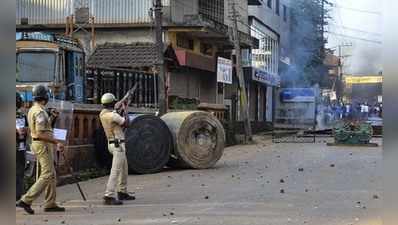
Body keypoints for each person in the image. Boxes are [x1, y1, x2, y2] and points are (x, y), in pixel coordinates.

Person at [16, 85, 65, 215]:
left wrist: (52, 118)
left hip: (41, 143)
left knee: (52, 174)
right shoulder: (40, 112)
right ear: (45, 97)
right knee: (48, 173)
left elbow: (44, 128)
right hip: (43, 144)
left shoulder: (33, 109)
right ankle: (26, 200)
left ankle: (50, 203)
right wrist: (57, 142)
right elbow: (39, 133)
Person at [99, 93, 135, 205]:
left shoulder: (103, 114)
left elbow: (115, 119)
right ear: (112, 103)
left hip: (113, 144)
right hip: (118, 145)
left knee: (124, 169)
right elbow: (127, 123)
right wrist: (125, 109)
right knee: (116, 171)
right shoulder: (113, 115)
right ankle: (108, 195)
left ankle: (122, 191)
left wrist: (119, 108)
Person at [16, 93, 28, 200]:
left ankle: (17, 195)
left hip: (20, 147)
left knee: (19, 171)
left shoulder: (22, 115)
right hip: (20, 147)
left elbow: (27, 130)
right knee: (19, 172)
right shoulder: (22, 115)